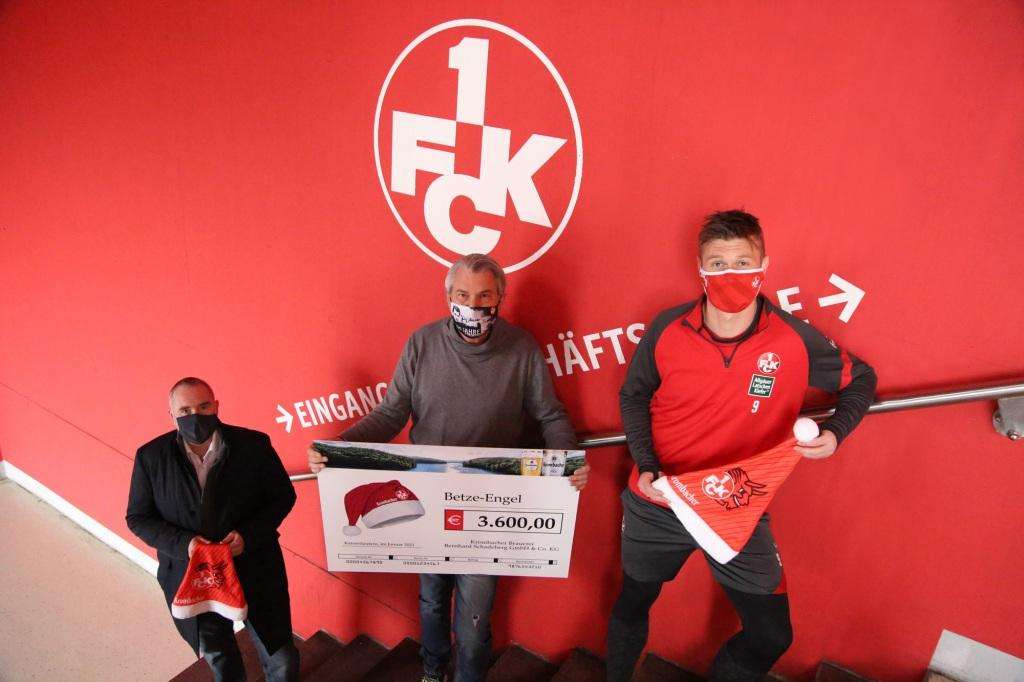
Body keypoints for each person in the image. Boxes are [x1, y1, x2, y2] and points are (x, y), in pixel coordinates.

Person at [607, 210, 877, 681]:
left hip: (737, 507)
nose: (729, 274)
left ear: (763, 265)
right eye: (718, 264)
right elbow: (633, 394)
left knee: (771, 636)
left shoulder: (793, 339)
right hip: (659, 501)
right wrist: (646, 464)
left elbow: (862, 378)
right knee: (634, 600)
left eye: (741, 263)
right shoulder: (667, 328)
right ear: (701, 269)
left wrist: (836, 433)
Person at [308, 253, 590, 682]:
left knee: (475, 615)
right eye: (463, 295)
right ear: (448, 297)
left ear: (500, 297)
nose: (473, 306)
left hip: (490, 502)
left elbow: (550, 415)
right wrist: (339, 449)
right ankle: (432, 669)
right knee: (432, 600)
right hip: (426, 495)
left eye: (484, 296)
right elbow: (391, 413)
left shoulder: (522, 348)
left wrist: (566, 462)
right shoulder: (421, 343)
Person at [127, 377, 299, 681]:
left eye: (203, 406)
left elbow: (283, 496)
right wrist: (186, 544)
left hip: (256, 567)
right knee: (217, 653)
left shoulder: (254, 445)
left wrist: (248, 535)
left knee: (279, 653)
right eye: (185, 410)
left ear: (216, 406)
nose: (195, 416)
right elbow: (138, 517)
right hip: (191, 576)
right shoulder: (150, 457)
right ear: (172, 414)